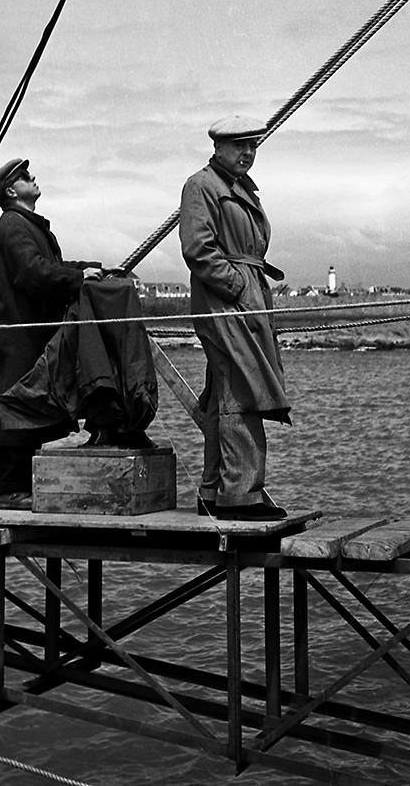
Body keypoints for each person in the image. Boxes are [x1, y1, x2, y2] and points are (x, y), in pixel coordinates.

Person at [179, 115, 291, 521]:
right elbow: (198, 248)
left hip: (246, 295)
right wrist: (236, 286)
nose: (247, 153)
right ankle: (241, 494)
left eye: (253, 146)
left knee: (225, 387)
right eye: (239, 146)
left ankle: (213, 490)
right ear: (218, 147)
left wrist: (248, 287)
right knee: (241, 388)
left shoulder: (242, 188)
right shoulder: (202, 186)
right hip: (224, 300)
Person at [0, 157, 101, 510]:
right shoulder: (14, 225)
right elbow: (33, 274)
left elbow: (50, 267)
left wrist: (88, 270)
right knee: (16, 404)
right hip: (19, 335)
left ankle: (20, 486)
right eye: (25, 177)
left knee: (27, 404)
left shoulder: (25, 224)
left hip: (29, 334)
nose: (33, 179)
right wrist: (78, 280)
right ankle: (6, 490)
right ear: (12, 190)